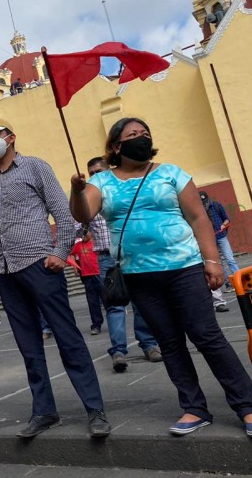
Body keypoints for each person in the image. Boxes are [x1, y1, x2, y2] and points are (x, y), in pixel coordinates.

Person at [70, 117, 252, 438]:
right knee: (170, 343)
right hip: (138, 276)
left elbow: (198, 217)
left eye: (145, 133)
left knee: (207, 336)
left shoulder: (171, 173)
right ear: (116, 146)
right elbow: (83, 214)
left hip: (185, 268)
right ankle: (194, 407)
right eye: (133, 135)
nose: (142, 138)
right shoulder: (103, 183)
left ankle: (247, 407)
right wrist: (77, 191)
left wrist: (212, 261)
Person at [0, 117, 110, 439]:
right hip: (8, 270)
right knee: (28, 346)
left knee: (67, 337)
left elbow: (63, 213)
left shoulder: (36, 167)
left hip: (40, 263)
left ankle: (94, 408)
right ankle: (44, 411)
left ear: (10, 137)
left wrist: (61, 252)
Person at [86, 157, 161, 370]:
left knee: (141, 301)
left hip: (131, 253)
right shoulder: (89, 197)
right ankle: (118, 351)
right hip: (105, 258)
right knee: (114, 304)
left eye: (98, 170)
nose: (95, 175)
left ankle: (149, 345)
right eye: (91, 172)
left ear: (109, 169)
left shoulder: (120, 191)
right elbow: (74, 222)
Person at [200, 191, 239, 293]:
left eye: (205, 201)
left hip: (221, 236)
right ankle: (229, 284)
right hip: (210, 240)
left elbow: (226, 219)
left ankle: (240, 280)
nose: (205, 204)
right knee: (219, 263)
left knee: (230, 259)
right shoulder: (200, 210)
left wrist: (223, 225)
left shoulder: (216, 205)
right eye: (202, 202)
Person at [70, 229, 103, 335]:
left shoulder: (97, 243)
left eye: (85, 233)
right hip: (87, 276)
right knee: (92, 302)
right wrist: (74, 266)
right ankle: (96, 325)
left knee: (107, 300)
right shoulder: (79, 245)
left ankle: (114, 322)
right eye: (81, 234)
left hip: (99, 274)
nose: (83, 236)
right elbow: (70, 254)